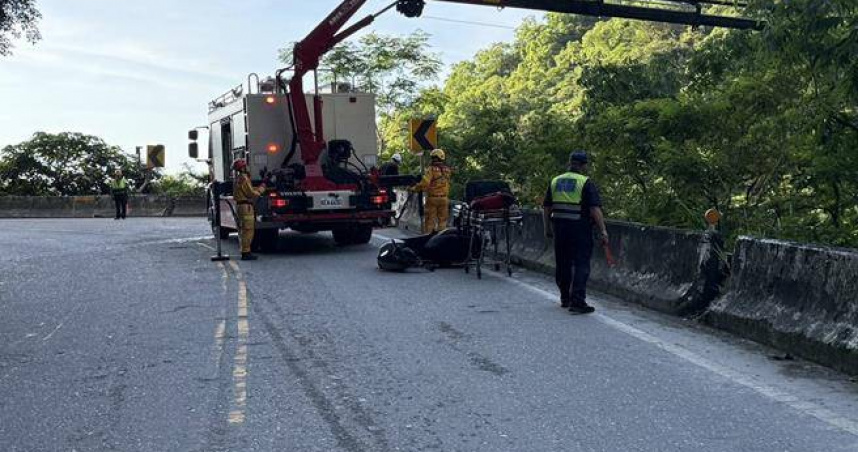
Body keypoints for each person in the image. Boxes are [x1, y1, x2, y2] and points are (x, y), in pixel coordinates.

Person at [543, 151, 608, 314]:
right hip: (580, 229)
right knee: (581, 264)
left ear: (570, 162)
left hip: (560, 228)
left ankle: (565, 298)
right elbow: (594, 209)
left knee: (563, 263)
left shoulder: (555, 181)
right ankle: (578, 301)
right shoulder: (585, 182)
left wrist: (547, 228)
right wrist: (603, 231)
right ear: (584, 165)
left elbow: (546, 208)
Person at [410, 149, 452, 234]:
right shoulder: (447, 170)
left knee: (430, 221)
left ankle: (427, 238)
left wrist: (414, 188)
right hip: (444, 199)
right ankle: (441, 238)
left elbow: (425, 183)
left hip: (432, 199)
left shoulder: (431, 170)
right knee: (442, 221)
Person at [232, 159, 267, 261]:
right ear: (242, 168)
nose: (247, 167)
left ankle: (245, 251)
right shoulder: (244, 178)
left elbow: (248, 190)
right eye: (245, 166)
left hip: (241, 206)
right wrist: (261, 189)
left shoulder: (239, 178)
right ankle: (246, 253)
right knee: (248, 230)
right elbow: (250, 194)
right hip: (245, 207)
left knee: (243, 230)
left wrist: (258, 187)